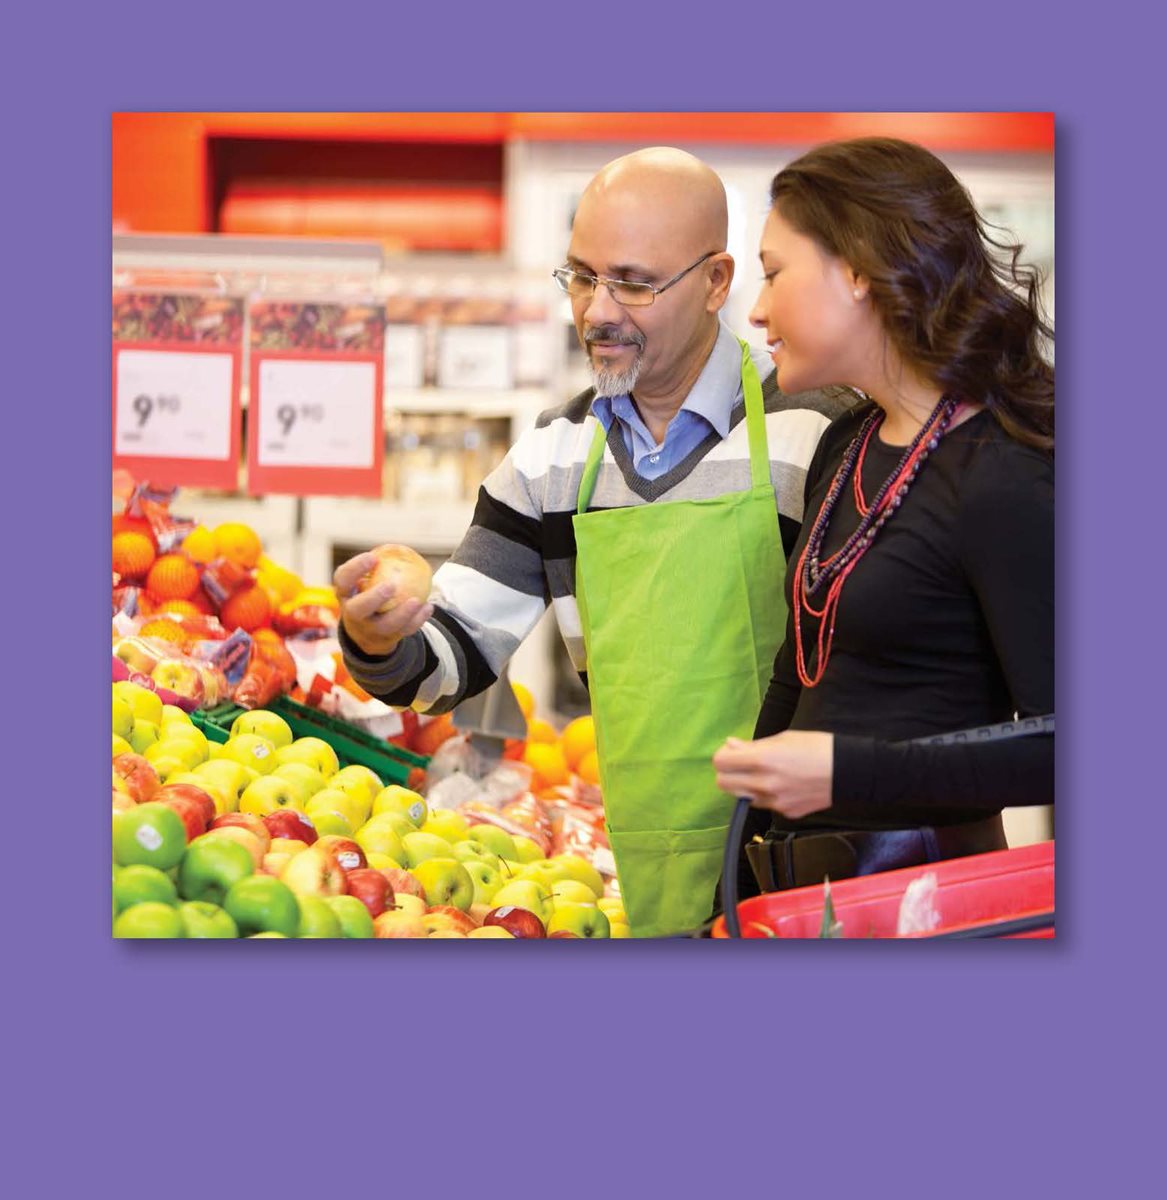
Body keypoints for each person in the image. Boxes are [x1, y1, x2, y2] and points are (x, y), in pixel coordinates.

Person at [335, 147, 849, 937]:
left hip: (807, 868)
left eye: (633, 283)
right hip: (646, 860)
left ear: (717, 282)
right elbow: (448, 661)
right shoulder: (552, 456)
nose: (596, 311)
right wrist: (381, 631)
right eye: (580, 276)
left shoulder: (814, 425)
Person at [712, 137, 1054, 895]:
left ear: (858, 271)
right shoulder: (846, 439)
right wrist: (735, 884)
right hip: (803, 901)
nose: (758, 309)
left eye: (772, 273)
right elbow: (794, 680)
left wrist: (847, 771)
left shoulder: (1000, 471)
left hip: (924, 904)